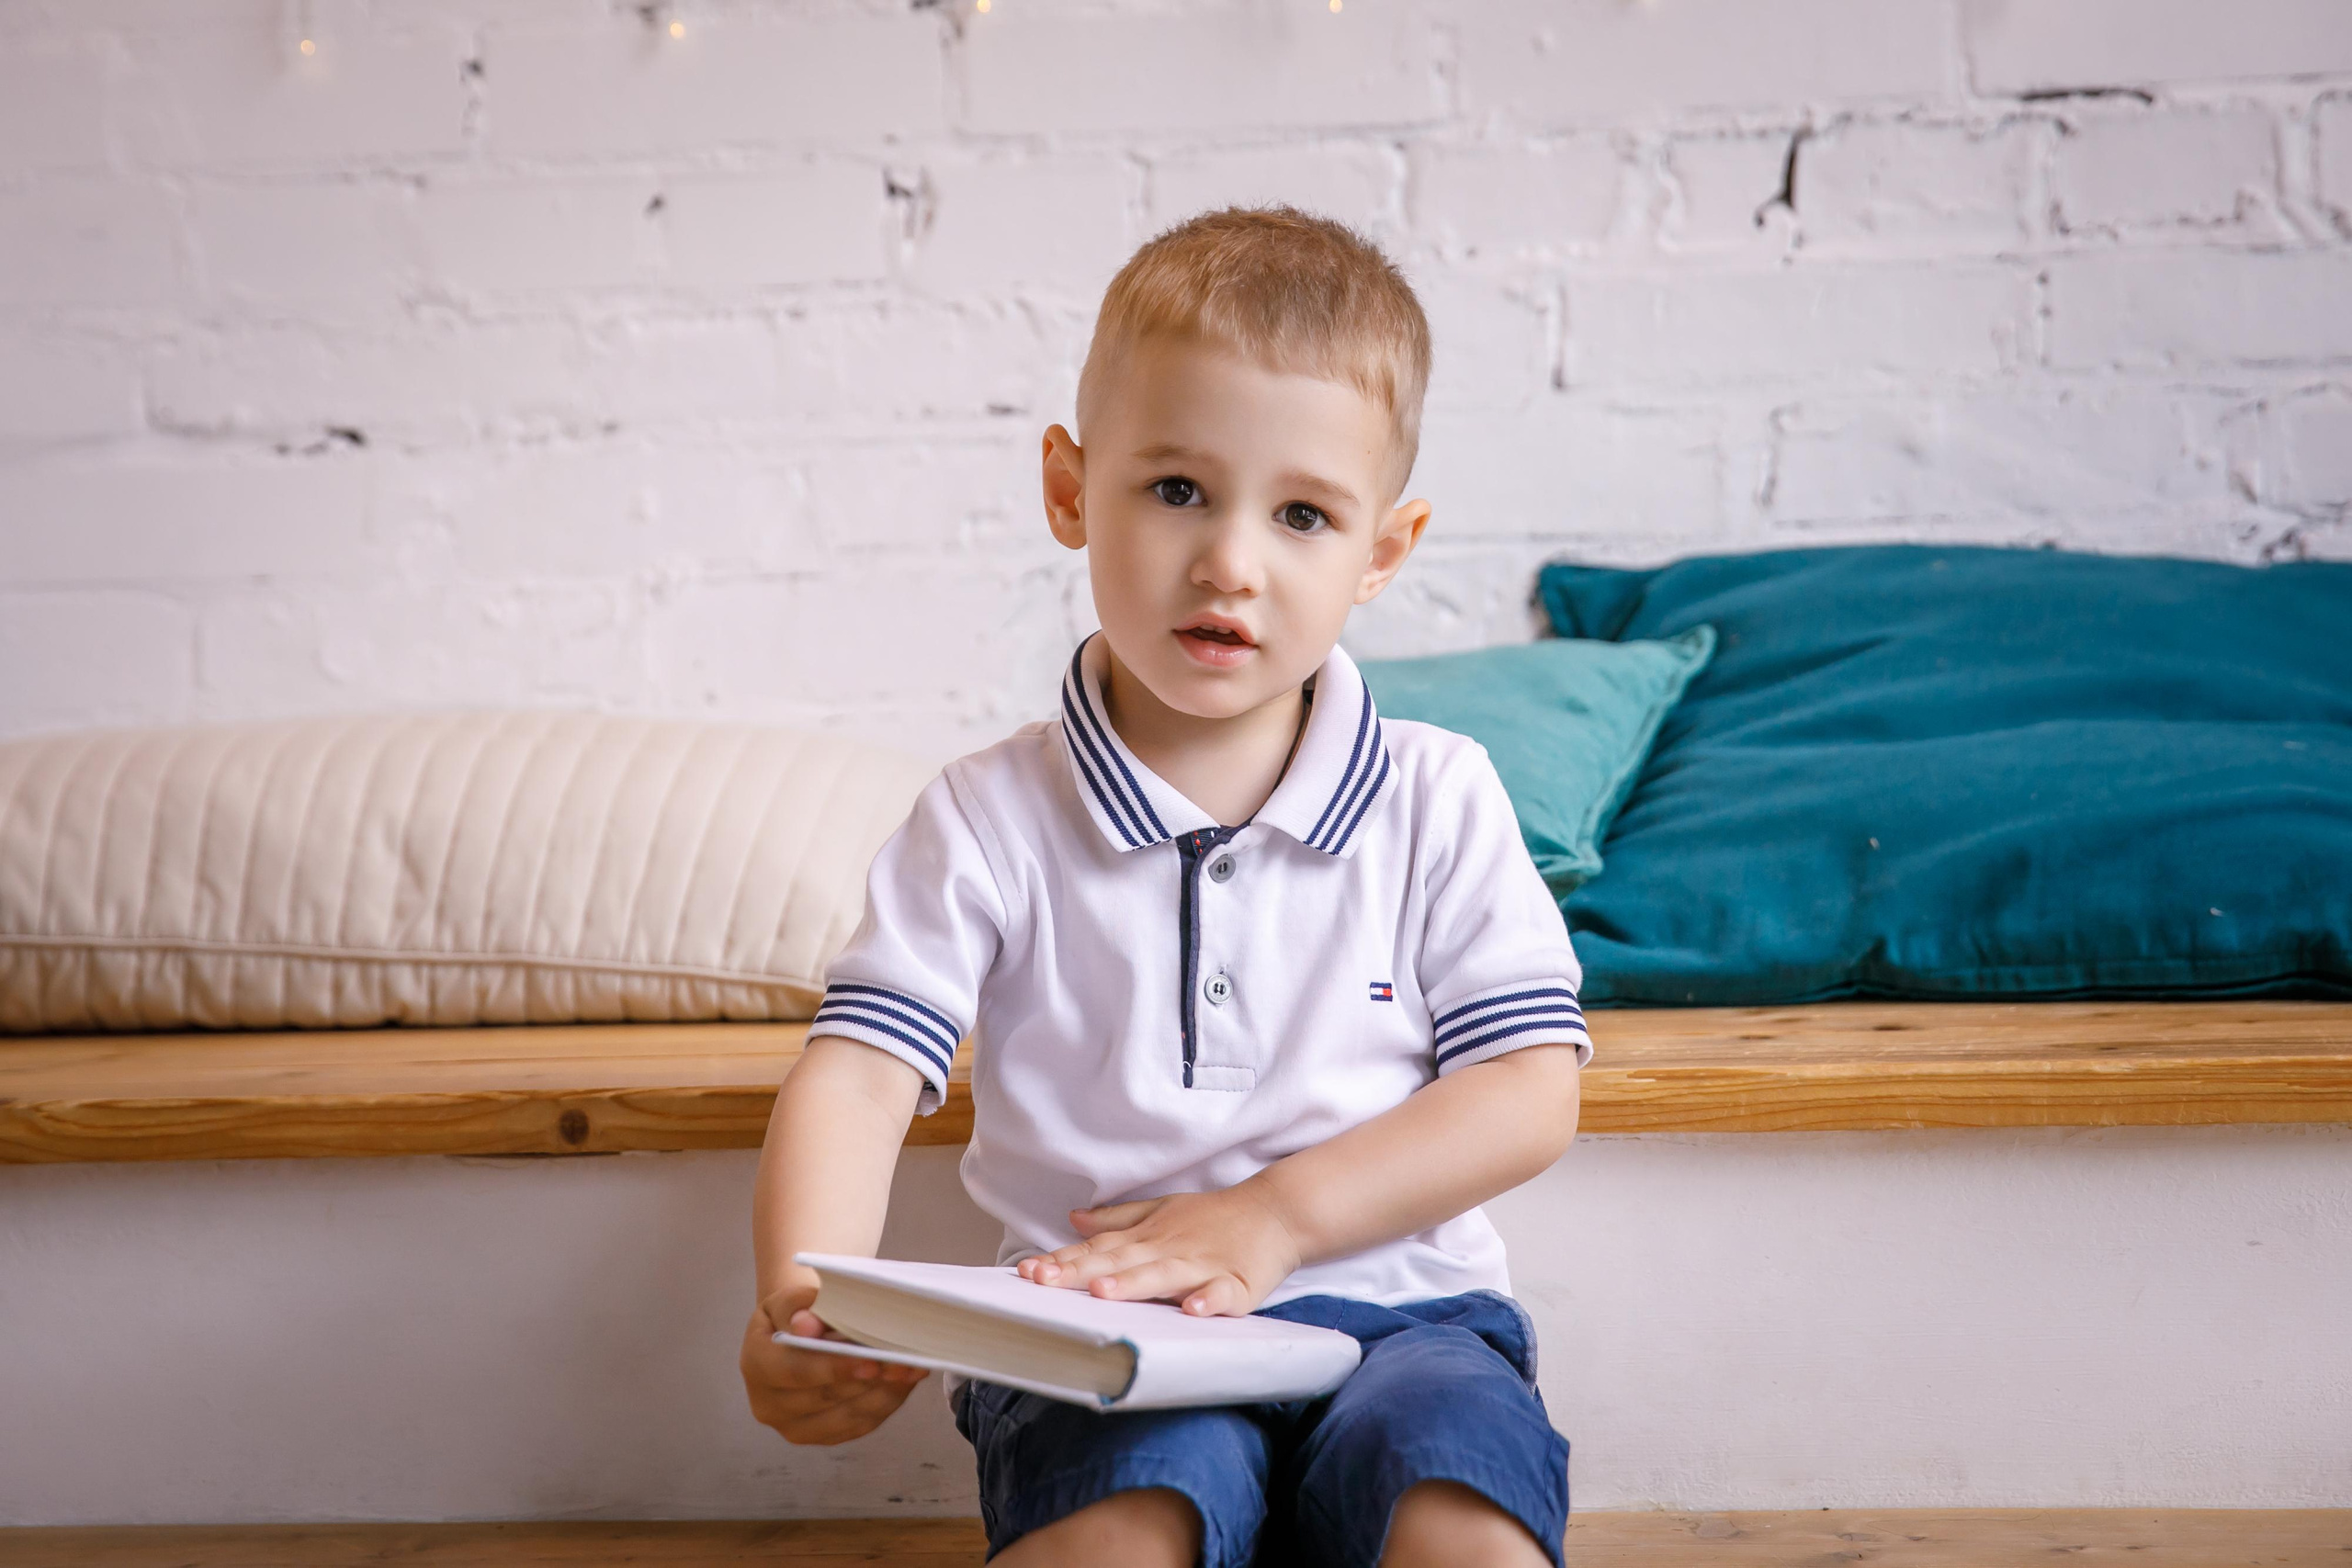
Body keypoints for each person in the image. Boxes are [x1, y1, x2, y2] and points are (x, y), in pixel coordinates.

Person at [740, 207, 1589, 1568]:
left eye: (1303, 513)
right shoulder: (988, 814)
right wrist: (799, 1296)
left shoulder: (1439, 795)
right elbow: (857, 1072)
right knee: (1120, 1534)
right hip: (1094, 1345)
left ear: (1381, 550)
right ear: (1072, 491)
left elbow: (1529, 1090)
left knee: (1460, 1524)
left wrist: (1275, 1220)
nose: (1231, 563)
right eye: (1178, 490)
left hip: (1405, 1318)